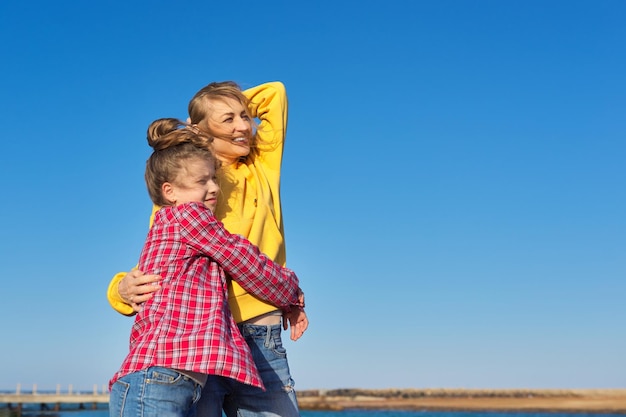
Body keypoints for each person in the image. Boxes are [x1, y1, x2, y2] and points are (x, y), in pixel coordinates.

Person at [107, 81, 308, 417]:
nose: (244, 126)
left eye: (244, 115)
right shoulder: (187, 184)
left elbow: (276, 94)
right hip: (201, 335)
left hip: (259, 327)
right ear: (202, 128)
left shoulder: (261, 167)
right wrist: (120, 289)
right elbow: (159, 257)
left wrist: (219, 108)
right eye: (227, 119)